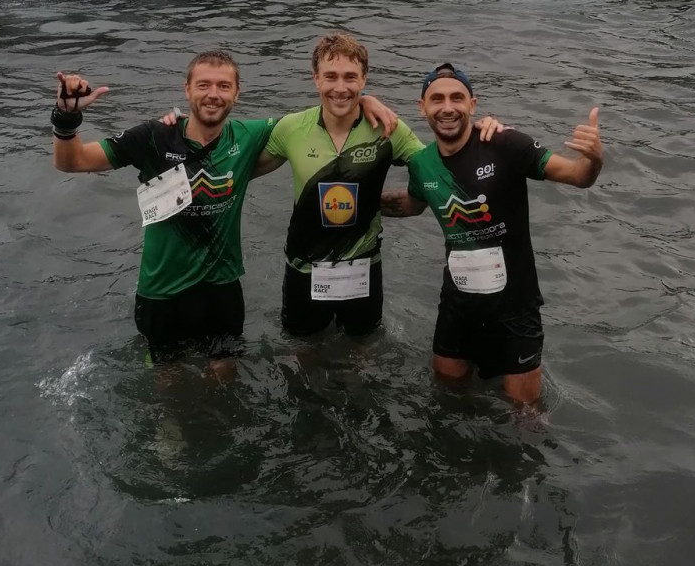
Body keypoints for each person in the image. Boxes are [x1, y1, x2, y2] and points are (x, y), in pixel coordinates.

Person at [50, 49, 397, 366]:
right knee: (168, 380)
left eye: (223, 86)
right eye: (203, 85)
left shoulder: (247, 136)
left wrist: (363, 100)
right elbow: (72, 162)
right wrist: (66, 116)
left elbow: (320, 116)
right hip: (161, 290)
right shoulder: (153, 137)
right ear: (187, 89)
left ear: (237, 93)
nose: (213, 94)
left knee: (225, 374)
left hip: (222, 288)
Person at [382, 62, 604, 404]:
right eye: (437, 99)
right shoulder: (422, 164)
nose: (447, 107)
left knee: (525, 416)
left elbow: (577, 176)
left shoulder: (504, 143)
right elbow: (412, 204)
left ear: (472, 104)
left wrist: (594, 159)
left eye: (457, 98)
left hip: (514, 310)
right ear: (422, 107)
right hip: (457, 307)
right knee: (446, 401)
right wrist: (354, 201)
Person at [261, 32, 427, 340]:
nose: (340, 87)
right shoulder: (292, 128)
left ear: (364, 79)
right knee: (303, 351)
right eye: (331, 76)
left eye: (350, 77)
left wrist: (416, 202)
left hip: (363, 267)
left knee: (363, 351)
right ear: (316, 79)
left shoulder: (388, 129)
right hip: (304, 267)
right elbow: (237, 165)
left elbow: (435, 170)